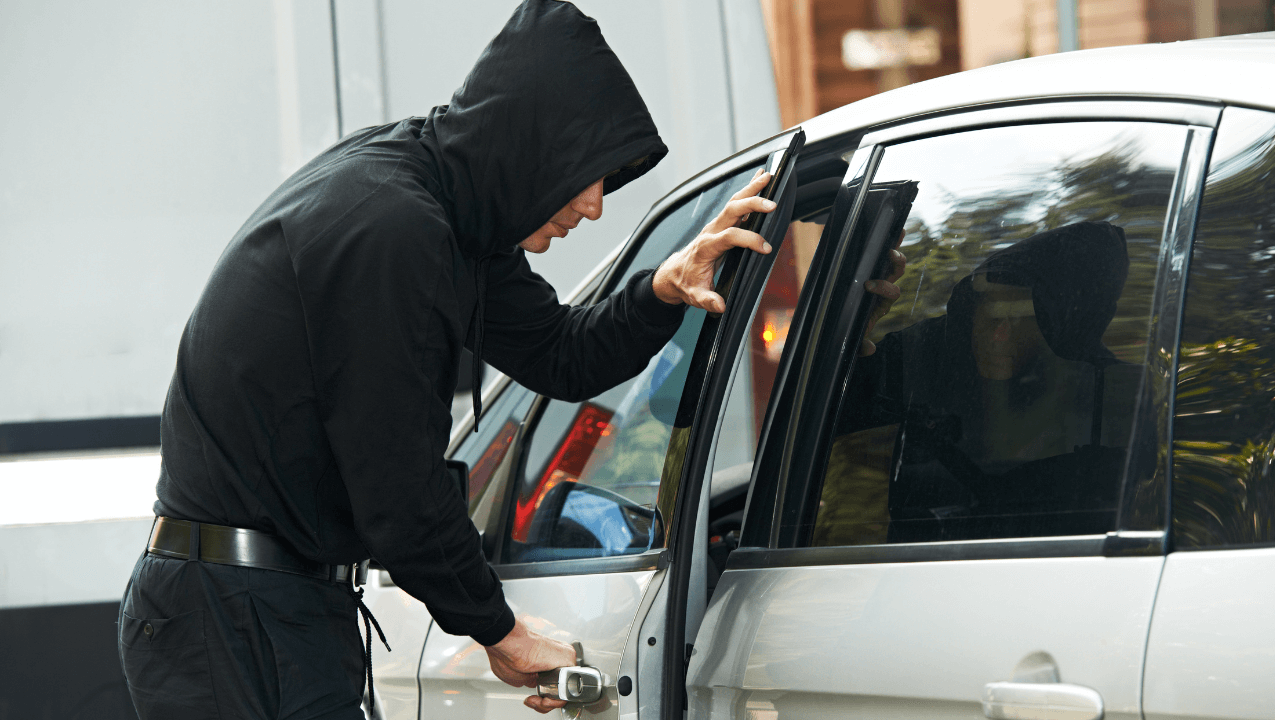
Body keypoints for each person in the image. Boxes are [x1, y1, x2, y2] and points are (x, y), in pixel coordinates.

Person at [114, 2, 802, 718]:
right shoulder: (393, 228)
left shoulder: (448, 217)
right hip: (232, 614)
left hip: (272, 604)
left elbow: (562, 355)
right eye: (588, 174)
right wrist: (499, 631)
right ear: (534, 150)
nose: (596, 206)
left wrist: (665, 287)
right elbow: (398, 484)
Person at [836, 221, 1137, 541]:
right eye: (990, 312)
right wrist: (849, 336)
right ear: (968, 312)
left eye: (1020, 317)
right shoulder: (927, 360)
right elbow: (810, 415)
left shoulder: (1117, 402)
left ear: (1060, 330)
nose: (999, 334)